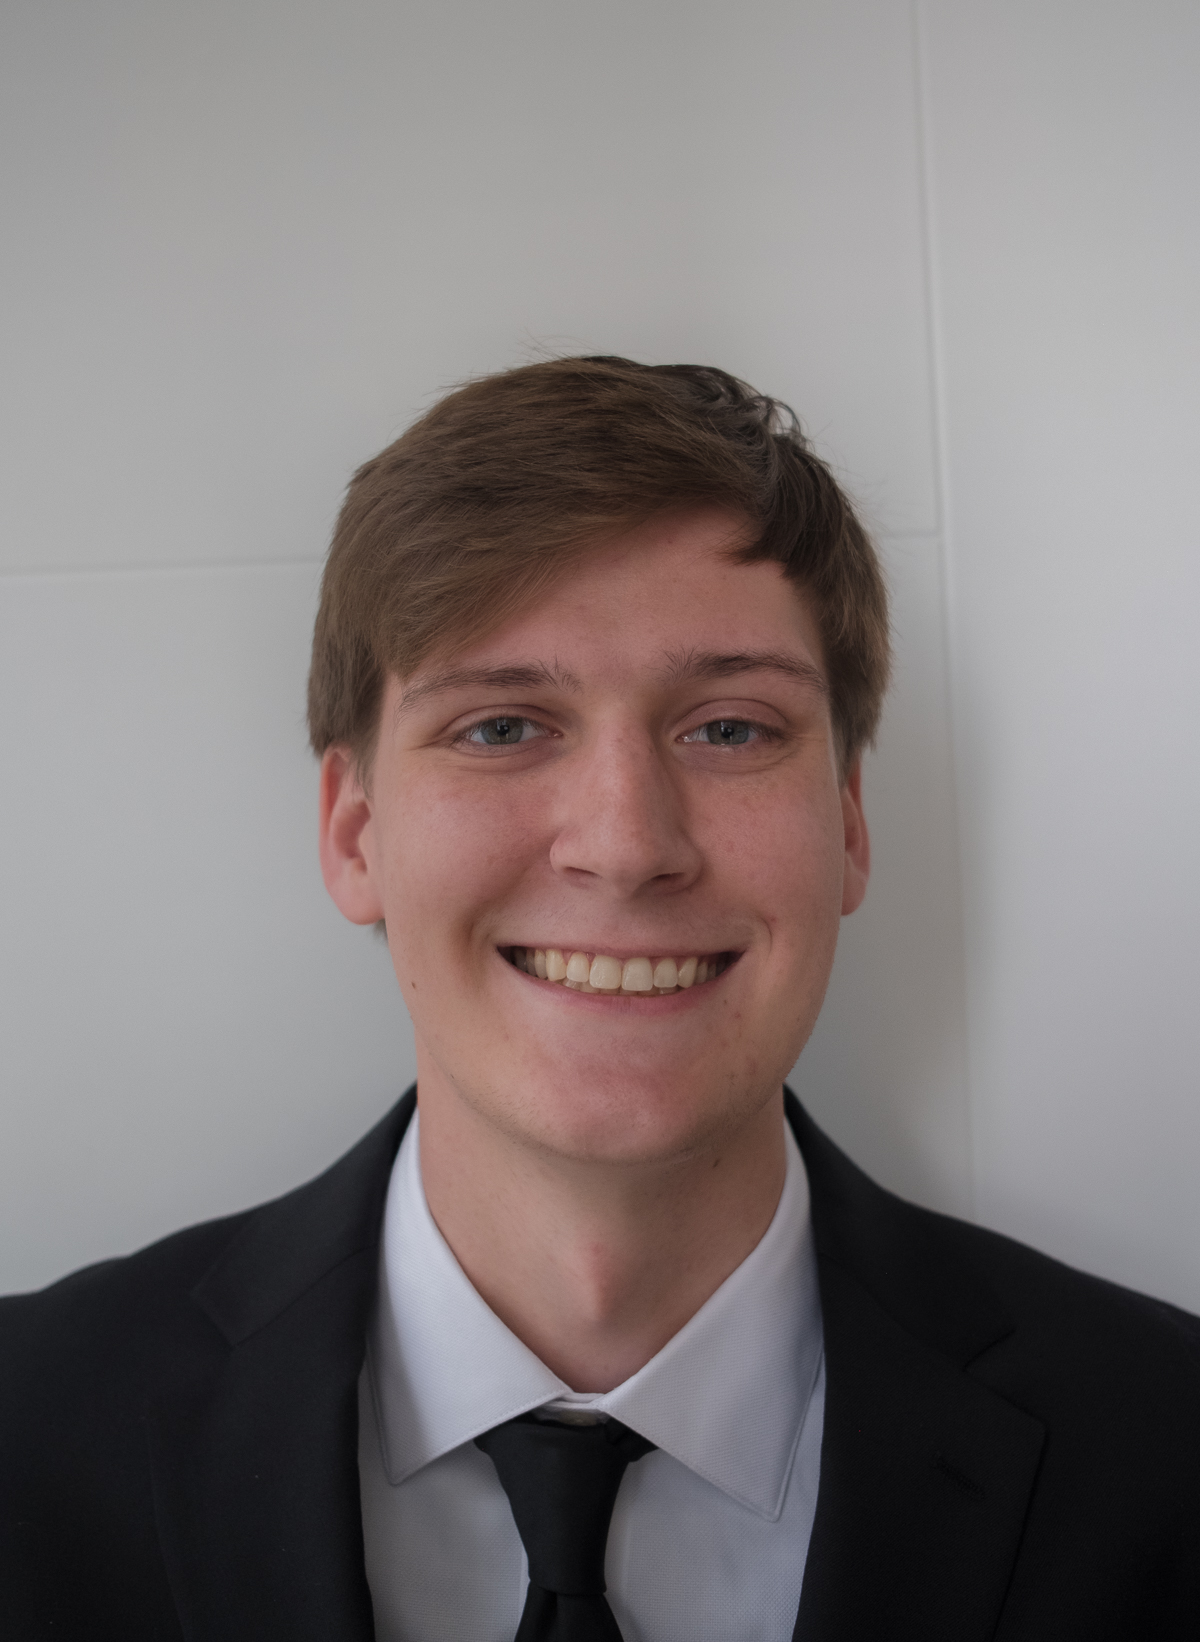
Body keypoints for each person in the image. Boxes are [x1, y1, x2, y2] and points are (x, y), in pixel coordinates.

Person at [2, 357, 1197, 1641]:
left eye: (730, 728)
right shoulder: (26, 1436)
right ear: (355, 836)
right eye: (503, 727)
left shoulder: (1167, 1457)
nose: (627, 846)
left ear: (848, 826)